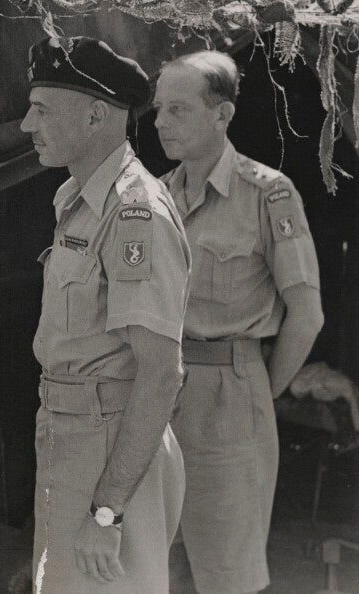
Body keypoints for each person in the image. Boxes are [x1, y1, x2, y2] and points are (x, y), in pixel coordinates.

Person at [20, 36, 191, 592]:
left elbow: (161, 371)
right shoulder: (78, 199)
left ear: (96, 115)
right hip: (72, 439)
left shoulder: (133, 212)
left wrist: (107, 512)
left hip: (111, 450)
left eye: (42, 108)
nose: (27, 124)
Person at [154, 51, 324, 594]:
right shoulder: (152, 197)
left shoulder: (268, 193)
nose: (159, 122)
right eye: (158, 108)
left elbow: (307, 315)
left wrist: (256, 389)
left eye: (177, 109)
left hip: (231, 403)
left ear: (221, 114)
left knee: (227, 574)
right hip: (153, 399)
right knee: (157, 565)